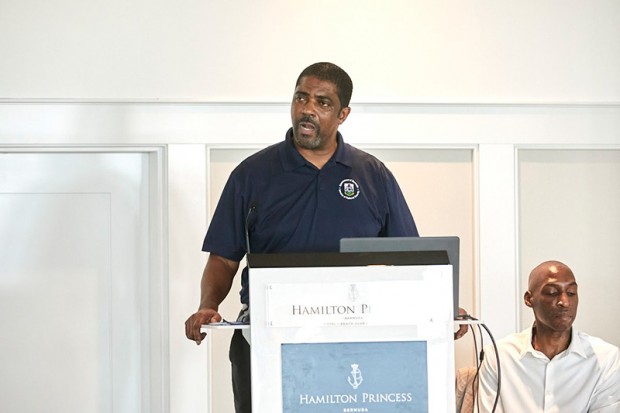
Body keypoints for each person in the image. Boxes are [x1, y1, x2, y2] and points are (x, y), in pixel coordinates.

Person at [185, 62, 467, 413]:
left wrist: (441, 307)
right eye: (301, 97)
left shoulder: (372, 175)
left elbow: (409, 261)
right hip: (266, 337)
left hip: (355, 341)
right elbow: (223, 258)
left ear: (342, 114)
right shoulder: (251, 175)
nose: (308, 109)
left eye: (322, 102)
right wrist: (208, 306)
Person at [477, 260, 620, 412]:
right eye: (552, 292)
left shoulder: (606, 358)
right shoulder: (498, 356)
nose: (564, 302)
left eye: (571, 293)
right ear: (529, 299)